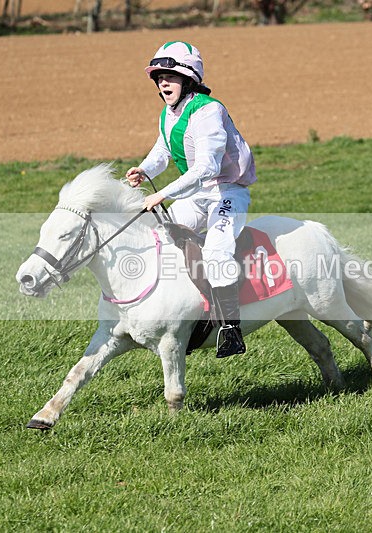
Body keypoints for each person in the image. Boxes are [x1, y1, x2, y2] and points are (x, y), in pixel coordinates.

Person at [125, 41, 257, 358]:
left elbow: (208, 166)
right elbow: (163, 152)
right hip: (197, 194)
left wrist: (162, 193)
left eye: (170, 76)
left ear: (189, 79)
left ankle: (230, 329)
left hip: (226, 192)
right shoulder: (168, 114)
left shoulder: (209, 111)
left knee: (215, 251)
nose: (163, 83)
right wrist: (143, 170)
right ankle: (183, 309)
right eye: (159, 77)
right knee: (162, 237)